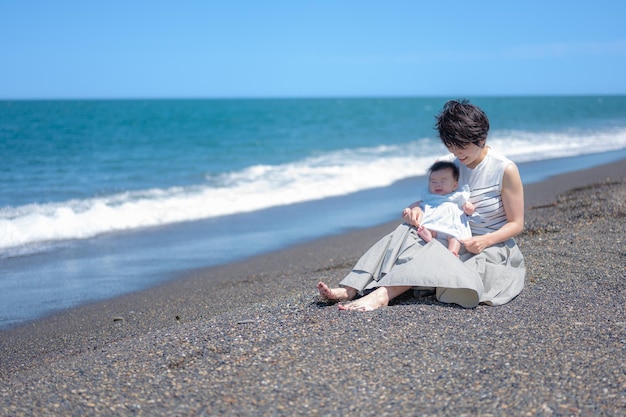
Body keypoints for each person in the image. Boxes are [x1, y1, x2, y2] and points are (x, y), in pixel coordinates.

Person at [317, 99, 525, 310]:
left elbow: (516, 224)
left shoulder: (504, 169)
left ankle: (382, 295)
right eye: (451, 146)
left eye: (462, 146)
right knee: (405, 231)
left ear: (482, 138)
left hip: (487, 246)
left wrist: (485, 240)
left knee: (443, 269)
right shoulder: (448, 164)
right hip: (447, 235)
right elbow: (433, 201)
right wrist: (416, 209)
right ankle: (350, 288)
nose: (456, 153)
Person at [407, 160, 479, 257]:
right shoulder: (430, 197)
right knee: (428, 228)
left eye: (443, 181)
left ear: (454, 185)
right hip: (435, 223)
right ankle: (429, 238)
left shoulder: (457, 196)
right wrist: (411, 209)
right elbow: (416, 204)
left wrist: (469, 209)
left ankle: (452, 252)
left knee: (454, 237)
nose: (438, 184)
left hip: (452, 225)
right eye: (433, 181)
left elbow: (469, 210)